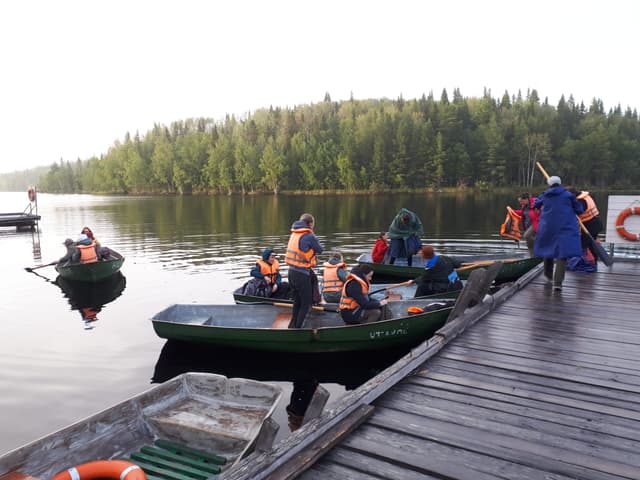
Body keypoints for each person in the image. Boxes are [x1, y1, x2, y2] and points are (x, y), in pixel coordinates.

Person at [533, 176, 584, 291]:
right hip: (565, 227)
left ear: (549, 184)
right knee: (562, 254)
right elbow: (580, 209)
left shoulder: (545, 194)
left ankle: (548, 276)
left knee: (548, 249)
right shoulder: (568, 195)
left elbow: (536, 204)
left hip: (548, 227)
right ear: (560, 183)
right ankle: (558, 283)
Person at [285, 213, 324, 328]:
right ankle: (298, 330)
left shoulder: (294, 234)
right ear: (310, 224)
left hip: (291, 272)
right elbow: (320, 250)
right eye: (313, 224)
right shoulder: (309, 236)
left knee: (297, 301)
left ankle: (292, 326)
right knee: (306, 304)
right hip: (301, 274)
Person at [567, 187, 603, 262]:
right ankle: (592, 261)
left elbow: (579, 210)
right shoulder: (585, 196)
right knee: (589, 244)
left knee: (584, 244)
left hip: (591, 225)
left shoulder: (581, 201)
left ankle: (587, 261)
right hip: (594, 223)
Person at [514, 193, 540, 257]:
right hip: (528, 225)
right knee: (528, 243)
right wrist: (512, 211)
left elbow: (543, 210)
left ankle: (539, 247)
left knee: (526, 236)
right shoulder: (524, 206)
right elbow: (522, 213)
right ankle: (533, 257)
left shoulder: (536, 202)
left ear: (526, 199)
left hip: (536, 224)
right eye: (519, 202)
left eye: (521, 201)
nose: (520, 203)